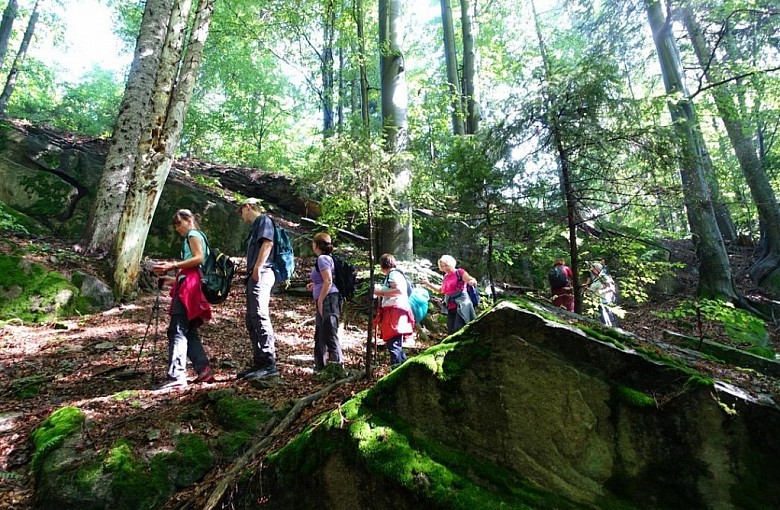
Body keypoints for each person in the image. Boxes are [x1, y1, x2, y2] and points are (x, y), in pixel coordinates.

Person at [152, 209, 214, 390]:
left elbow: (198, 258)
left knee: (177, 329)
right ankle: (204, 370)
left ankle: (176, 375)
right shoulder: (195, 236)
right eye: (175, 225)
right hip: (191, 286)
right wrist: (170, 279)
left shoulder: (193, 234)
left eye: (179, 223)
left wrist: (172, 265)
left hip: (190, 288)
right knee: (188, 330)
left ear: (189, 220)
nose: (177, 228)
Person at [237, 198, 278, 380]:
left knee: (260, 315)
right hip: (255, 276)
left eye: (242, 212)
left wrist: (258, 267)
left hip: (262, 273)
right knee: (251, 318)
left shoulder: (263, 220)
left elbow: (267, 243)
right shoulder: (256, 227)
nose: (242, 216)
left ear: (248, 207)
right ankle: (259, 362)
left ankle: (269, 363)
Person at [306, 232, 344, 375]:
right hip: (326, 298)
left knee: (329, 331)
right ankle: (320, 367)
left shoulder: (322, 258)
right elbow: (324, 280)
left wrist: (321, 299)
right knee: (320, 333)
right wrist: (314, 284)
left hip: (329, 299)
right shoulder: (326, 259)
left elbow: (328, 281)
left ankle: (337, 366)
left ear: (316, 245)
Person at [373, 253, 414, 368]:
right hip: (397, 310)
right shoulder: (397, 274)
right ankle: (405, 368)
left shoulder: (393, 274)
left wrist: (380, 291)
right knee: (396, 343)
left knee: (393, 343)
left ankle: (396, 370)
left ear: (383, 265)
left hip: (394, 311)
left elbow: (398, 290)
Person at [421, 255, 477, 334]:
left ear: (451, 263)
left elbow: (471, 279)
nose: (444, 268)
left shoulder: (460, 272)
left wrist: (472, 282)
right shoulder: (446, 276)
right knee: (450, 329)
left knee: (460, 327)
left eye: (446, 265)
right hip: (450, 305)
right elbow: (442, 290)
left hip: (462, 304)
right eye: (442, 266)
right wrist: (428, 284)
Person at [583, 262, 617, 326]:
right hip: (596, 302)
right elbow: (594, 290)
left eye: (593, 269)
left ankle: (613, 330)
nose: (591, 271)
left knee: (608, 318)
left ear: (597, 269)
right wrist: (587, 289)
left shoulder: (604, 277)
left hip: (604, 301)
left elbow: (611, 288)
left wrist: (602, 291)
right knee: (600, 319)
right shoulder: (595, 279)